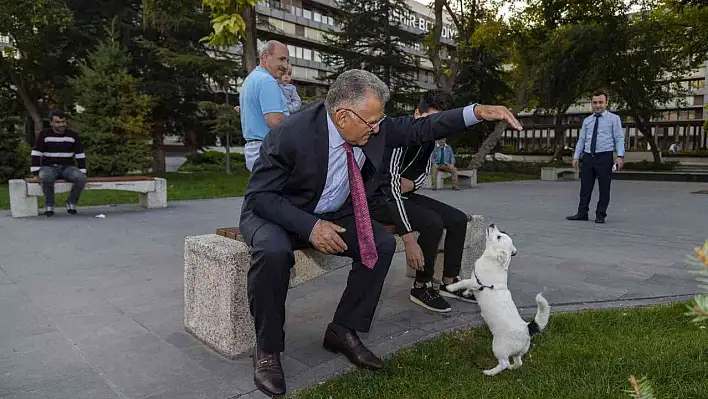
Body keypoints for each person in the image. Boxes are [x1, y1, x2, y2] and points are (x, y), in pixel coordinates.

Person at [239, 69, 523, 397]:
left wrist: (476, 112)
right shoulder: (291, 134)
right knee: (273, 254)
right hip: (278, 211)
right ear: (342, 115)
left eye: (380, 121)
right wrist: (311, 226)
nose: (377, 130)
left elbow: (423, 127)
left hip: (331, 211)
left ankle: (343, 329)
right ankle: (268, 350)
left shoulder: (371, 125)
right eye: (372, 123)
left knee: (380, 244)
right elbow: (260, 196)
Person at [372, 89, 476, 313]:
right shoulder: (398, 135)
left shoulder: (431, 138)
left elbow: (423, 172)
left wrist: (412, 184)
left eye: (441, 122)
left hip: (403, 193)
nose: (436, 127)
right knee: (432, 222)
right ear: (416, 114)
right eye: (432, 120)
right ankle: (421, 285)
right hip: (378, 199)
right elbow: (390, 189)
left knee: (457, 219)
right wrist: (409, 240)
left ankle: (450, 282)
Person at [566, 92, 625, 224]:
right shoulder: (588, 121)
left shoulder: (614, 119)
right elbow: (582, 139)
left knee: (604, 187)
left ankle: (600, 214)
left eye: (600, 102)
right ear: (591, 103)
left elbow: (619, 138)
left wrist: (620, 156)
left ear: (606, 103)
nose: (597, 105)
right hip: (588, 156)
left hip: (604, 156)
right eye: (595, 103)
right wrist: (576, 156)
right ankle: (582, 212)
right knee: (585, 187)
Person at [239, 40, 290, 172]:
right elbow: (274, 120)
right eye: (281, 59)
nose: (285, 65)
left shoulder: (251, 79)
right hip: (269, 150)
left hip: (255, 150)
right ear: (266, 57)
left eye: (287, 60)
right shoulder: (267, 81)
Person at [30, 109, 88, 216]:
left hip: (67, 167)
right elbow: (36, 153)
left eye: (63, 122)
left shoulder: (73, 135)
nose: (61, 124)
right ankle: (49, 205)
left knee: (81, 178)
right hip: (49, 167)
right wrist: (35, 173)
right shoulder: (44, 135)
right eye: (58, 122)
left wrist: (82, 171)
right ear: (51, 123)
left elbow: (80, 154)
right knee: (46, 177)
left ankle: (71, 202)